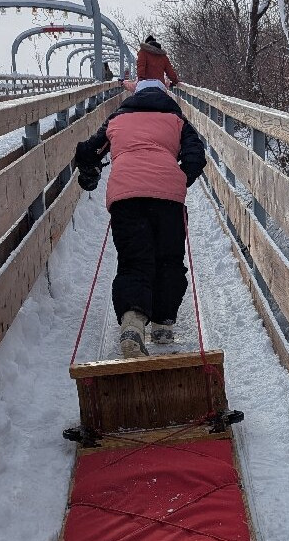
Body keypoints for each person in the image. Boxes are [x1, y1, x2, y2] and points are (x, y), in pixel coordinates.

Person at [74, 80, 207, 358]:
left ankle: (132, 324)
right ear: (163, 94)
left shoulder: (117, 119)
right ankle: (162, 323)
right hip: (168, 197)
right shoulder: (176, 119)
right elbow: (196, 155)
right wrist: (181, 178)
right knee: (169, 258)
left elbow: (88, 151)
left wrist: (90, 173)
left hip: (126, 198)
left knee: (134, 260)